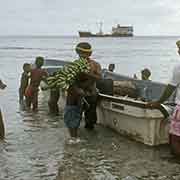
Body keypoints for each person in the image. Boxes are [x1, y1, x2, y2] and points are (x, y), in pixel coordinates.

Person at [147, 40, 180, 158]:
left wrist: (158, 102)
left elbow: (170, 88)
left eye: (179, 48)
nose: (178, 51)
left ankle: (176, 162)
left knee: (175, 138)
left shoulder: (179, 67)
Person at [64, 42, 101, 143]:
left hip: (89, 95)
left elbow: (98, 77)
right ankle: (78, 138)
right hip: (79, 94)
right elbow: (70, 81)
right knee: (74, 116)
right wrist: (78, 89)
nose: (85, 56)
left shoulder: (95, 65)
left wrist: (86, 73)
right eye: (83, 54)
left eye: (86, 54)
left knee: (89, 119)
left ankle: (80, 138)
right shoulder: (74, 65)